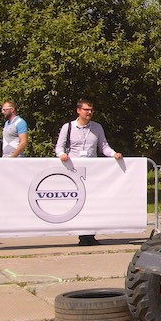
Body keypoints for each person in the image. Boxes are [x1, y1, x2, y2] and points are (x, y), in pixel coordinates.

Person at [55, 98, 122, 246]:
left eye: (91, 110)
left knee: (92, 203)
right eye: (86, 110)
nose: (89, 113)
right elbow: (59, 147)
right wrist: (62, 155)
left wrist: (113, 154)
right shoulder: (68, 127)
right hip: (74, 171)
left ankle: (90, 234)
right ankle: (82, 235)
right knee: (78, 202)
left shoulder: (97, 127)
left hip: (92, 171)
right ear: (78, 110)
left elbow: (104, 146)